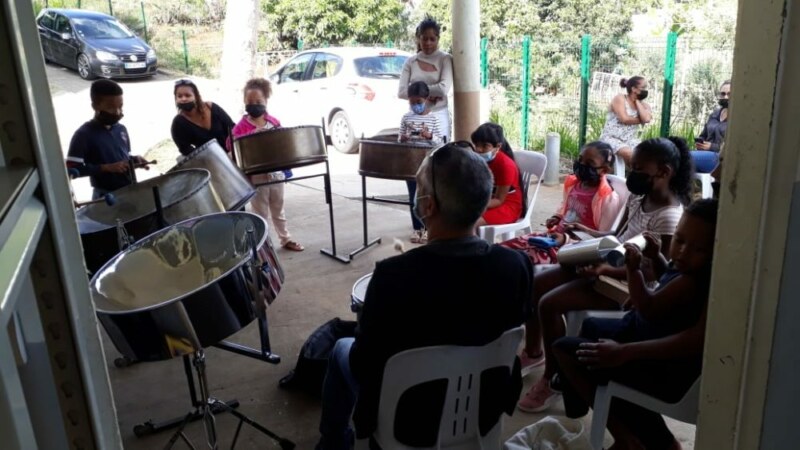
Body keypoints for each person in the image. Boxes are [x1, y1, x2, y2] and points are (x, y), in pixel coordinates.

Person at [316, 142, 533, 450]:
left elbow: (364, 364)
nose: (416, 194)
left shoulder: (392, 276)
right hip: (483, 411)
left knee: (341, 348)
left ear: (428, 206)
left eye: (419, 187)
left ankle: (334, 443)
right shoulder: (517, 266)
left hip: (405, 423)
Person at [518, 137, 694, 413]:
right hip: (606, 263)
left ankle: (553, 379)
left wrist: (604, 269)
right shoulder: (639, 197)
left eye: (638, 169)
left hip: (629, 286)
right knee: (535, 283)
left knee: (549, 304)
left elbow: (653, 270)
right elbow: (616, 236)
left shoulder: (670, 215)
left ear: (664, 172)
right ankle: (534, 352)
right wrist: (584, 233)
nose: (632, 174)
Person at [552, 198, 718, 450]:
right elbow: (666, 280)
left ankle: (629, 436)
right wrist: (657, 257)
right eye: (680, 240)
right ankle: (592, 404)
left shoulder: (693, 281)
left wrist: (634, 271)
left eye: (698, 249)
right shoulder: (686, 270)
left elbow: (648, 307)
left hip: (660, 362)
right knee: (592, 329)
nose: (683, 251)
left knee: (564, 349)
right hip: (646, 334)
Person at [500, 141, 621, 264]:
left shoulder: (608, 198)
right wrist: (557, 217)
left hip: (575, 250)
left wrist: (566, 240)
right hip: (554, 237)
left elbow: (601, 241)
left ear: (604, 170)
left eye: (589, 163)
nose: (581, 165)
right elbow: (565, 206)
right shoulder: (574, 184)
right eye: (580, 159)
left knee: (519, 260)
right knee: (503, 249)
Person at [230, 78, 304, 252]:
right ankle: (263, 243)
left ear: (266, 101)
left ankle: (286, 239)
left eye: (258, 102)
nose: (254, 105)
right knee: (260, 212)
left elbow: (284, 145)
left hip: (276, 173)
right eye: (249, 102)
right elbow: (232, 145)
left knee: (278, 209)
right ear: (244, 102)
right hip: (257, 176)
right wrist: (251, 135)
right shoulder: (240, 127)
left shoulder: (274, 122)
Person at [66, 79, 149, 200]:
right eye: (111, 108)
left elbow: (123, 159)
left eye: (120, 106)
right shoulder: (83, 135)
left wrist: (135, 160)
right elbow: (71, 170)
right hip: (105, 197)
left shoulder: (121, 130)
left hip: (129, 190)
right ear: (95, 106)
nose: (117, 112)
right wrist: (105, 168)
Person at [399, 81, 445, 244]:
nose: (415, 106)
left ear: (426, 99)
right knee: (413, 196)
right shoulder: (406, 117)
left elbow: (441, 142)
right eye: (411, 103)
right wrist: (403, 138)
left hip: (427, 163)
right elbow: (400, 138)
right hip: (411, 163)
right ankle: (416, 229)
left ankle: (428, 228)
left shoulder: (434, 119)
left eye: (418, 102)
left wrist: (429, 136)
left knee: (427, 195)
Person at [398, 16, 454, 140]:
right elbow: (401, 92)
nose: (428, 43)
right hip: (414, 117)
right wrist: (428, 94)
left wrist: (416, 91)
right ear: (419, 38)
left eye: (432, 39)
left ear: (438, 39)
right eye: (424, 39)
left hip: (439, 114)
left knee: (440, 153)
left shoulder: (445, 59)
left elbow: (443, 89)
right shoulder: (410, 62)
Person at [472, 123, 524, 227]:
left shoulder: (506, 165)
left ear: (498, 146)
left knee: (470, 223)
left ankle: (475, 243)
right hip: (488, 199)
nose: (479, 149)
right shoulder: (480, 159)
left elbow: (499, 200)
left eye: (485, 146)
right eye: (477, 145)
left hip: (507, 206)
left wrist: (474, 206)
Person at [170, 79, 235, 156]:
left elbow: (232, 128)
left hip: (232, 153)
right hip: (210, 162)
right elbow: (185, 150)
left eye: (188, 95)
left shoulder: (211, 107)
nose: (183, 99)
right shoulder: (178, 123)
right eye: (179, 96)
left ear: (196, 97)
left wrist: (232, 151)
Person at [599, 76, 653, 168]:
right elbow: (624, 119)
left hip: (629, 140)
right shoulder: (620, 98)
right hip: (611, 138)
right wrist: (640, 120)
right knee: (628, 153)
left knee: (648, 153)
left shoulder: (645, 105)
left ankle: (642, 176)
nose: (646, 90)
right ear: (634, 89)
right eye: (643, 87)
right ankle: (635, 177)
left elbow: (647, 119)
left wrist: (637, 101)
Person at [693, 80, 731, 173]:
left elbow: (732, 147)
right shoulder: (714, 114)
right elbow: (703, 135)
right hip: (704, 154)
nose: (725, 97)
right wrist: (700, 143)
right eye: (723, 94)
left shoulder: (737, 118)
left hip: (721, 158)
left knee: (686, 157)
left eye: (729, 94)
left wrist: (711, 147)